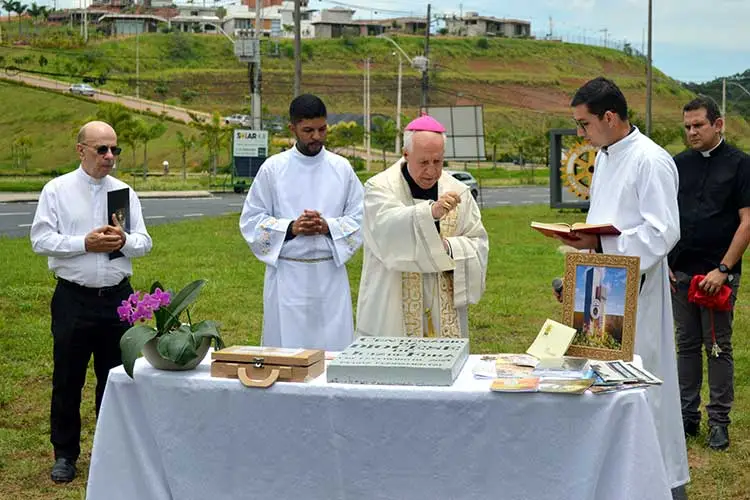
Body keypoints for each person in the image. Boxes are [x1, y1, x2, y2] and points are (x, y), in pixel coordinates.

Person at [559, 77, 689, 494]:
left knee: (639, 384)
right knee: (603, 383)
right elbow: (607, 217)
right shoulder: (607, 156)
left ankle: (652, 482)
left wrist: (600, 241)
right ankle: (611, 477)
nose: (581, 133)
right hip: (602, 285)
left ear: (609, 117)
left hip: (638, 290)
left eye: (584, 124)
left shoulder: (650, 160)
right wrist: (585, 243)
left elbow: (662, 232)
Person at [30, 121, 152, 483]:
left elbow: (145, 242)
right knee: (68, 378)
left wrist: (123, 241)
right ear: (80, 150)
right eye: (102, 150)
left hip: (117, 299)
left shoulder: (124, 193)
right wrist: (83, 243)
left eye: (115, 149)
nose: (110, 157)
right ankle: (65, 454)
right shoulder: (57, 190)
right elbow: (40, 240)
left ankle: (110, 448)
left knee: (115, 379)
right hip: (74, 297)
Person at [239, 94, 364, 351]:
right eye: (308, 130)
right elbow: (251, 220)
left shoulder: (341, 168)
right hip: (287, 276)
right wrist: (291, 228)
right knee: (287, 351)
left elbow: (361, 218)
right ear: (292, 128)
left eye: (322, 129)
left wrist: (328, 226)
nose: (316, 136)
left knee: (333, 351)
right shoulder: (273, 169)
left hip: (329, 275)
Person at [356, 115, 488, 338]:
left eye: (438, 162)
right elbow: (384, 230)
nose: (431, 171)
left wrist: (448, 248)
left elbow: (478, 242)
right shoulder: (380, 187)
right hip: (393, 304)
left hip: (443, 303)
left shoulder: (458, 190)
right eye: (423, 162)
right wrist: (429, 214)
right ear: (406, 155)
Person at [668, 96, 750, 451]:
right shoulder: (677, 164)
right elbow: (667, 217)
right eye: (687, 126)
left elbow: (747, 222)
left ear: (719, 124)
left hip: (718, 275)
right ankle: (686, 417)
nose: (691, 132)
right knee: (685, 347)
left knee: (717, 348)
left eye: (698, 125)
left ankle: (719, 421)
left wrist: (723, 269)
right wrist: (667, 263)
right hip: (680, 271)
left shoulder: (741, 165)